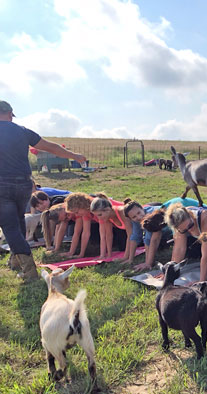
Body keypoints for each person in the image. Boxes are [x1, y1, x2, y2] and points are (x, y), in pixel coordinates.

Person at [0, 100, 85, 281]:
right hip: (24, 184)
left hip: (2, 185)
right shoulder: (22, 131)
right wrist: (74, 156)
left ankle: (29, 272)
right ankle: (15, 261)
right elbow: (51, 147)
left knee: (9, 226)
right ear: (10, 114)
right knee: (18, 222)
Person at [165, 203, 207, 282]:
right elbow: (179, 248)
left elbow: (206, 255)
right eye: (185, 230)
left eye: (190, 225)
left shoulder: (206, 218)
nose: (189, 230)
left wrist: (201, 281)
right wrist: (169, 272)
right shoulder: (179, 222)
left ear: (191, 215)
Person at [124, 201, 172, 271]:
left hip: (169, 228)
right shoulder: (136, 221)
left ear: (142, 208)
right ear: (131, 219)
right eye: (134, 217)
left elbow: (151, 239)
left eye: (139, 213)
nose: (138, 217)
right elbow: (135, 237)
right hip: (162, 231)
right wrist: (130, 259)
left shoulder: (151, 216)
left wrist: (148, 263)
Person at [90, 195, 133, 260]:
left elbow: (130, 235)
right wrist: (108, 255)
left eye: (100, 215)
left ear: (107, 210)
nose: (99, 218)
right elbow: (108, 235)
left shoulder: (121, 212)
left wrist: (126, 257)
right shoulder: (107, 217)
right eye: (96, 216)